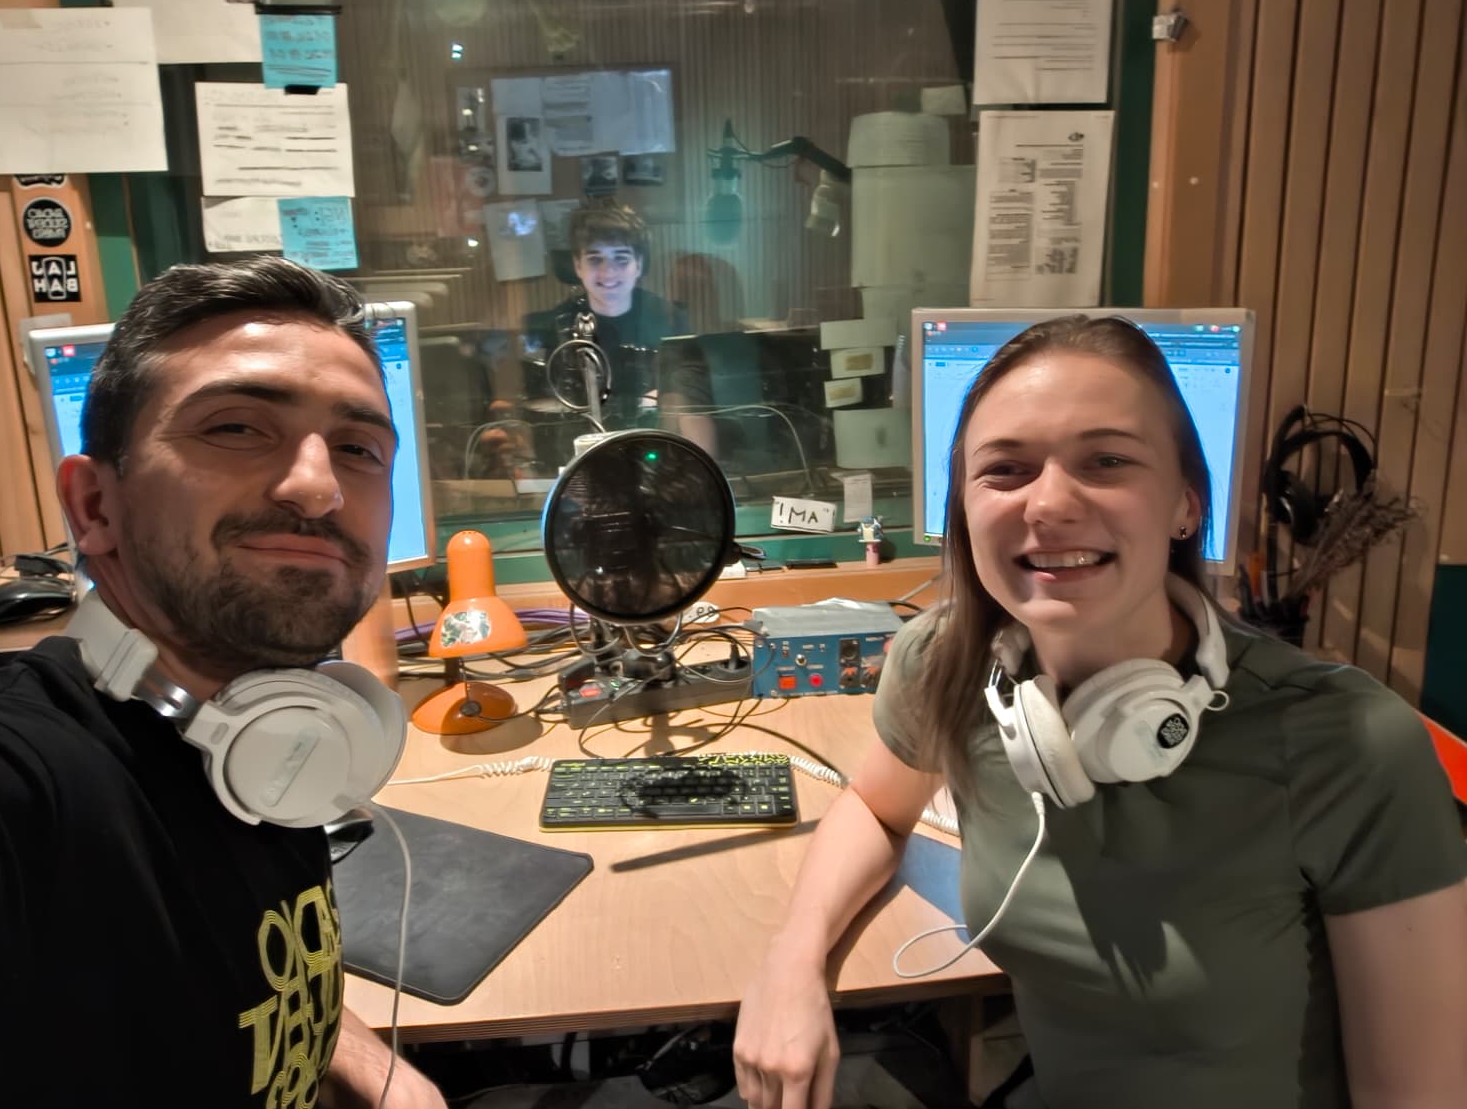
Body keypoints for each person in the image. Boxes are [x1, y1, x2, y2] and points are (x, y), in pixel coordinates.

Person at [733, 315, 1467, 1109]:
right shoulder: (946, 665)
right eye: (1005, 468)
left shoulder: (1348, 742)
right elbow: (874, 808)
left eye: (1107, 460)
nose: (1049, 502)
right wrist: (792, 961)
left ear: (1186, 503)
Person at [0, 257, 447, 1108]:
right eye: (237, 428)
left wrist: (371, 1066)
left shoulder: (261, 740)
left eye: (357, 448)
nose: (318, 487)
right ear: (94, 507)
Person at [522, 202, 712, 450]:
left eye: (621, 259)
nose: (608, 272)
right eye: (595, 260)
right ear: (578, 265)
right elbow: (541, 408)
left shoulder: (671, 320)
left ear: (639, 264)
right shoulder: (556, 326)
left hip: (652, 446)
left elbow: (693, 404)